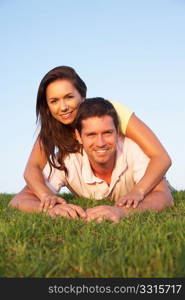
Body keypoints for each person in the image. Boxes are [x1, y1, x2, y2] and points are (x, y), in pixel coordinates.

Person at [9, 66, 171, 214]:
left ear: (83, 97)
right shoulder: (55, 134)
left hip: (135, 176)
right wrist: (45, 197)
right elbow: (32, 168)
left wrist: (138, 191)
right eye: (54, 101)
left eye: (69, 97)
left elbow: (161, 157)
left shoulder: (110, 112)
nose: (63, 107)